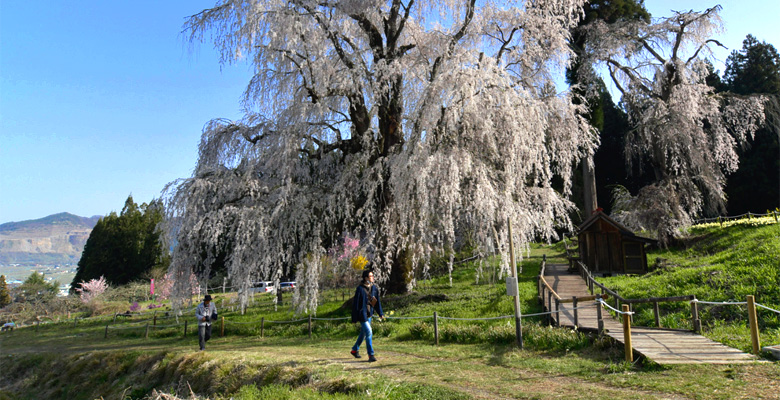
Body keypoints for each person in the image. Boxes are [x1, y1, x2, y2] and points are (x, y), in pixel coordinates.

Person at [350, 269, 384, 362]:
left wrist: (380, 313)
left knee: (363, 333)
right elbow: (356, 304)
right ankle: (371, 355)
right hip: (362, 315)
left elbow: (377, 303)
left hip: (369, 314)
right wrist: (354, 317)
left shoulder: (374, 288)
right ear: (365, 278)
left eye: (372, 276)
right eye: (370, 276)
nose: (372, 278)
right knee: (369, 332)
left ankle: (354, 349)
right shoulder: (360, 289)